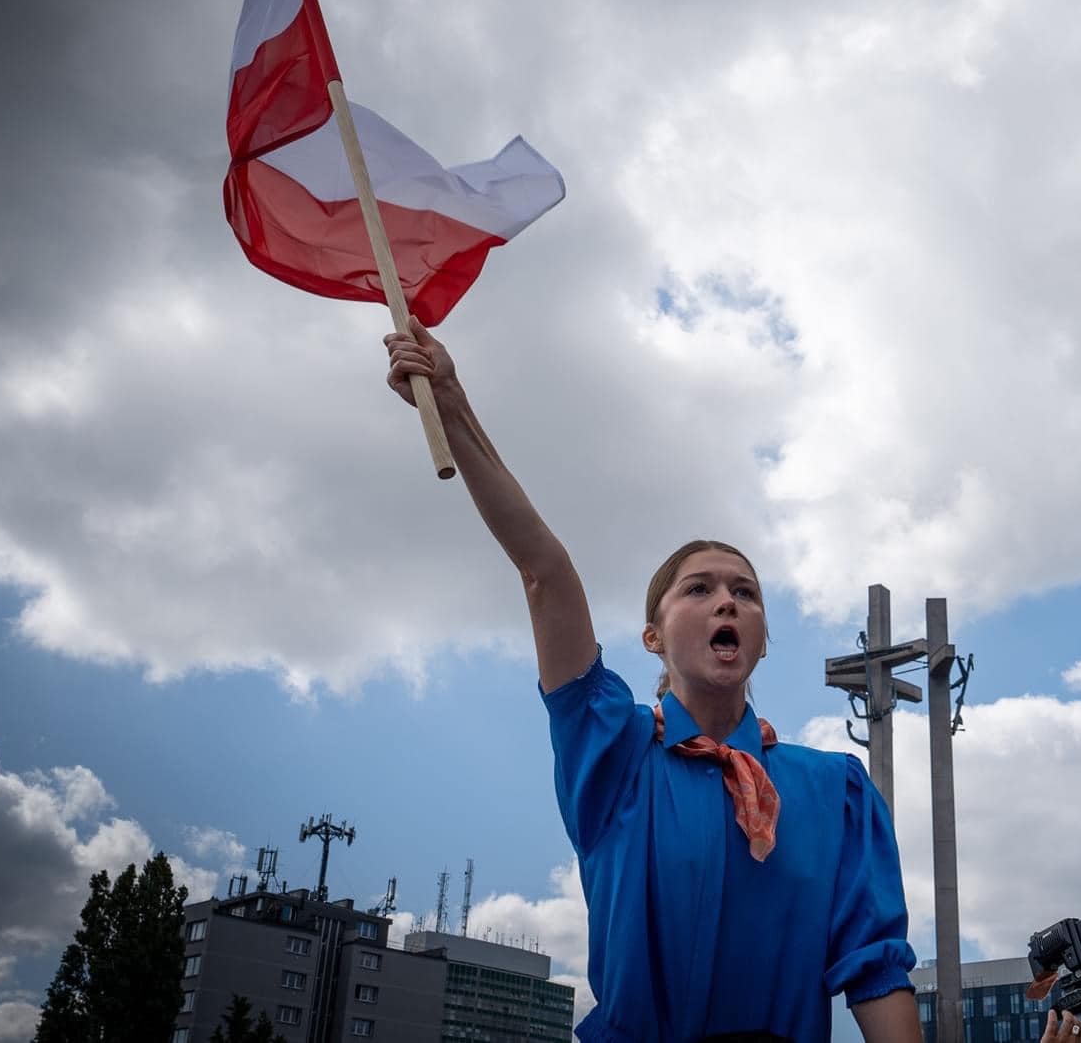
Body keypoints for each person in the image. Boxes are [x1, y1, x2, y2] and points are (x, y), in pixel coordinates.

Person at [384, 319, 920, 1043]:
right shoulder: (613, 752)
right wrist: (451, 404)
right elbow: (545, 574)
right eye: (698, 589)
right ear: (653, 637)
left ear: (760, 641)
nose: (727, 601)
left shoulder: (836, 791)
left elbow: (876, 972)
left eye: (745, 593)